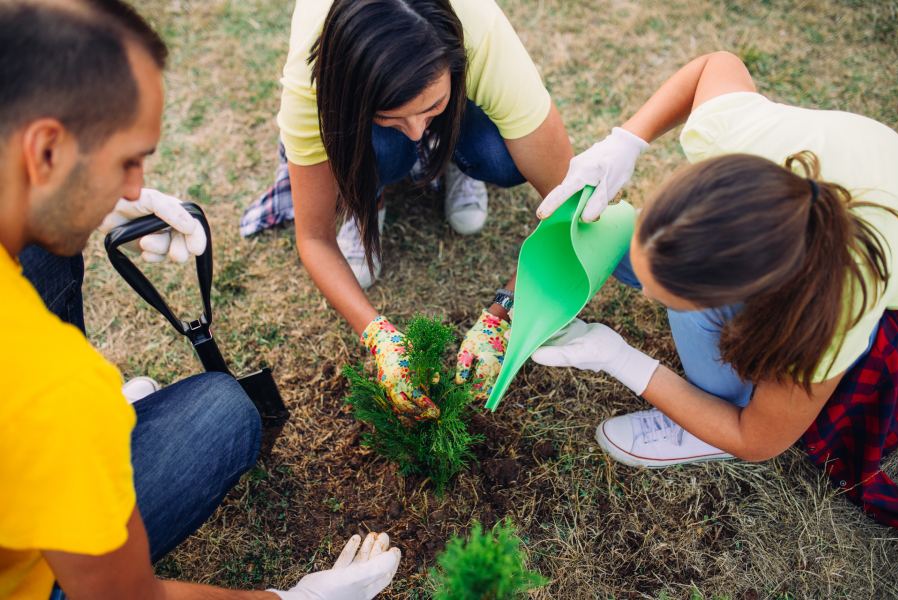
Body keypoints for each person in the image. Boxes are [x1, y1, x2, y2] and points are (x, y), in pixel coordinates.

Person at [0, 1, 400, 598]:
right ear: (46, 150)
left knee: (45, 253)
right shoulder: (54, 390)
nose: (136, 187)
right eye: (126, 163)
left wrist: (93, 195)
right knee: (224, 411)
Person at [532, 52, 898, 525]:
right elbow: (716, 65)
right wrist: (625, 142)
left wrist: (620, 359)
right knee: (635, 246)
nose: (643, 296)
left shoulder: (833, 308)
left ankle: (710, 418)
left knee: (707, 347)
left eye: (661, 292)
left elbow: (759, 440)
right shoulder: (736, 136)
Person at [242, 0, 574, 416]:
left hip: (463, 81)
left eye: (431, 108)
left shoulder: (482, 36)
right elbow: (313, 237)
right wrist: (378, 336)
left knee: (499, 156)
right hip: (357, 107)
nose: (418, 131)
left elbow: (569, 205)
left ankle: (459, 154)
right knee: (381, 150)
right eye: (392, 115)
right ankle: (369, 192)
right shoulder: (311, 88)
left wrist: (503, 314)